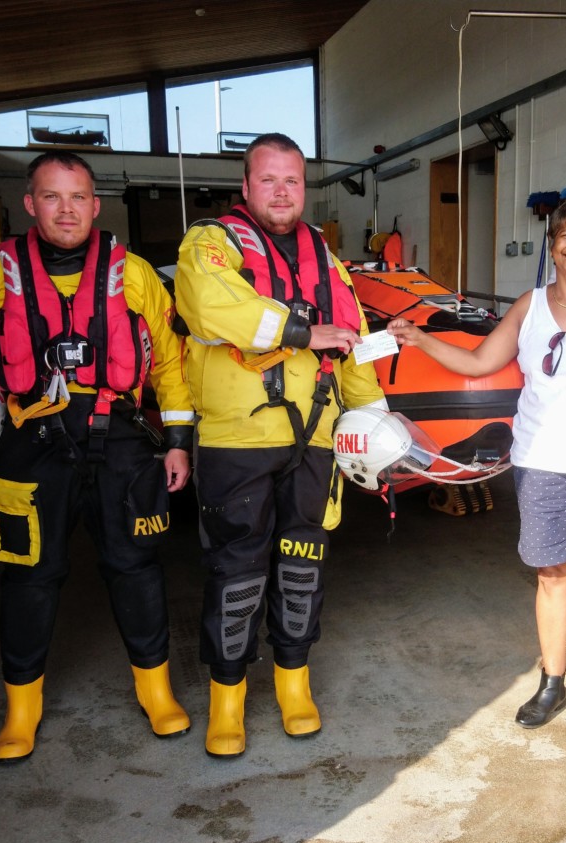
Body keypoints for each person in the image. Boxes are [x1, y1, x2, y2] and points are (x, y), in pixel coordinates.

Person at [0, 151, 195, 762]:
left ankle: (157, 693)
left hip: (122, 443)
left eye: (78, 197)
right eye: (52, 197)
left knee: (136, 570)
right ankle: (21, 713)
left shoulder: (132, 272)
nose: (67, 209)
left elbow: (169, 361)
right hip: (30, 444)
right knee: (29, 579)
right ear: (30, 204)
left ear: (96, 204)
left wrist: (181, 442)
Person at [388, 198, 566, 750]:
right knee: (552, 575)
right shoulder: (530, 305)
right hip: (538, 461)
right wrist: (420, 339)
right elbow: (482, 361)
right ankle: (552, 681)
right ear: (553, 243)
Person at [175, 133, 387, 758]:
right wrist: (303, 330)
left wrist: (378, 423)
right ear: (245, 187)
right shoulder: (209, 243)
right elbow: (214, 308)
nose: (280, 191)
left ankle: (295, 680)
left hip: (315, 441)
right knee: (236, 575)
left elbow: (353, 340)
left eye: (292, 180)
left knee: (302, 568)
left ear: (304, 187)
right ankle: (227, 694)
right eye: (267, 180)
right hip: (235, 441)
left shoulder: (328, 260)